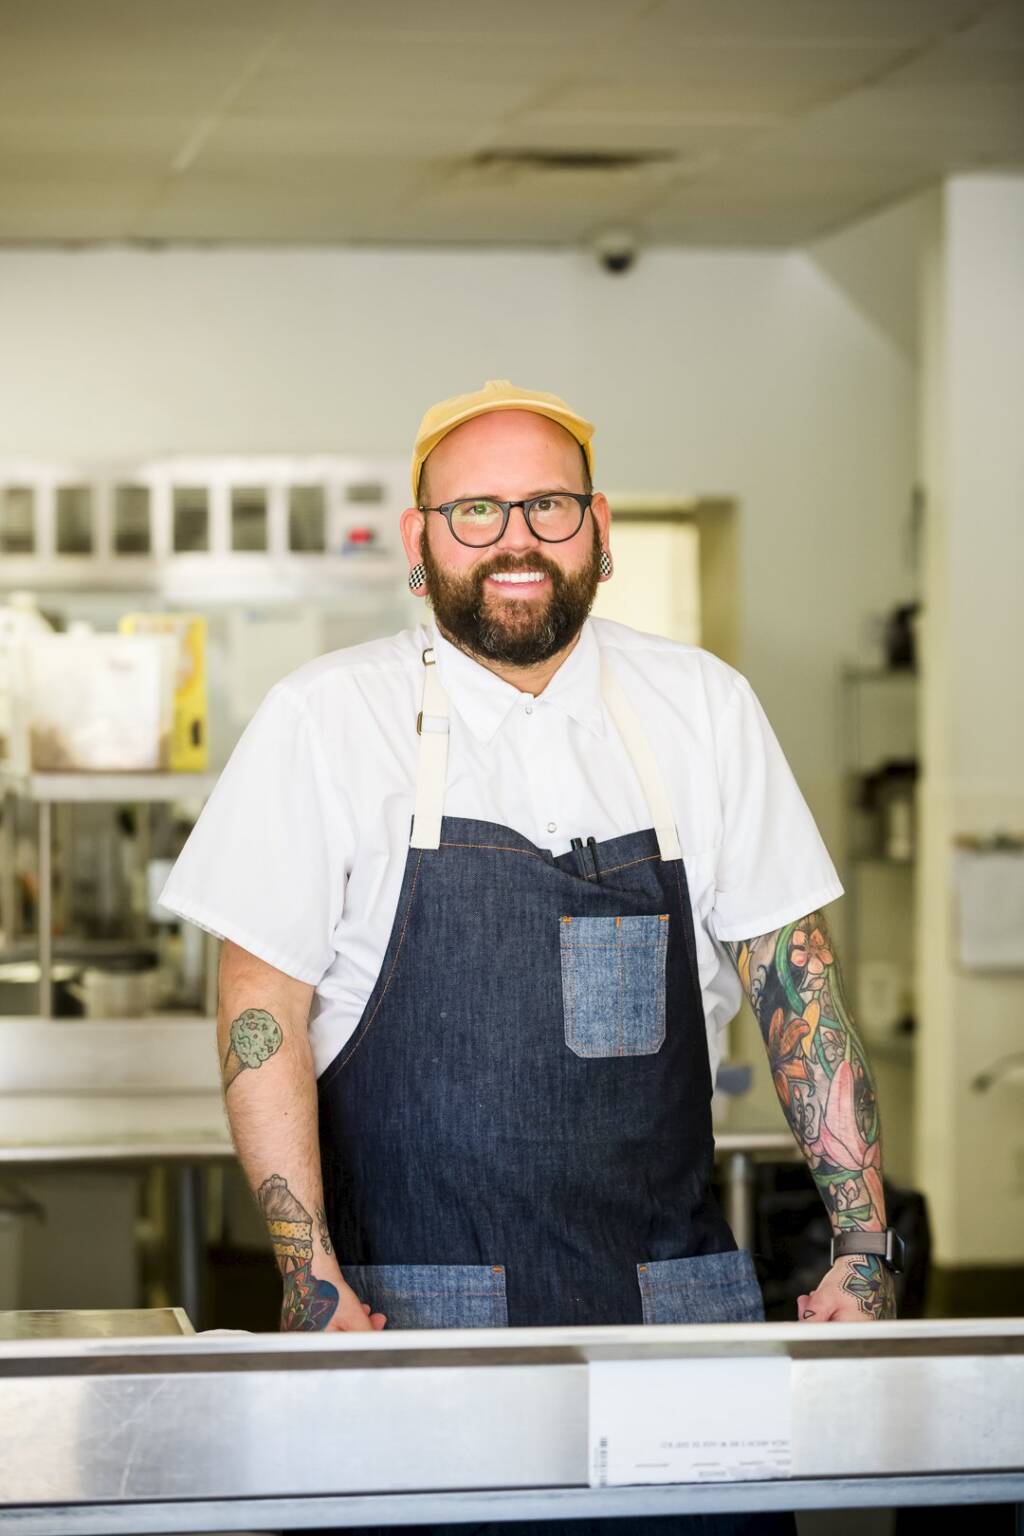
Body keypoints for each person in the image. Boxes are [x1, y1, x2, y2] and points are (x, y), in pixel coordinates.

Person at [160, 379, 899, 1530]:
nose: (516, 539)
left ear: (598, 531)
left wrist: (864, 1237)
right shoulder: (328, 721)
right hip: (417, 1324)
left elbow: (795, 982)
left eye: (550, 507)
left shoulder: (702, 708)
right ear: (418, 543)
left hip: (675, 1328)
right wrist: (310, 1282)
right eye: (477, 512)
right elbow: (262, 1014)